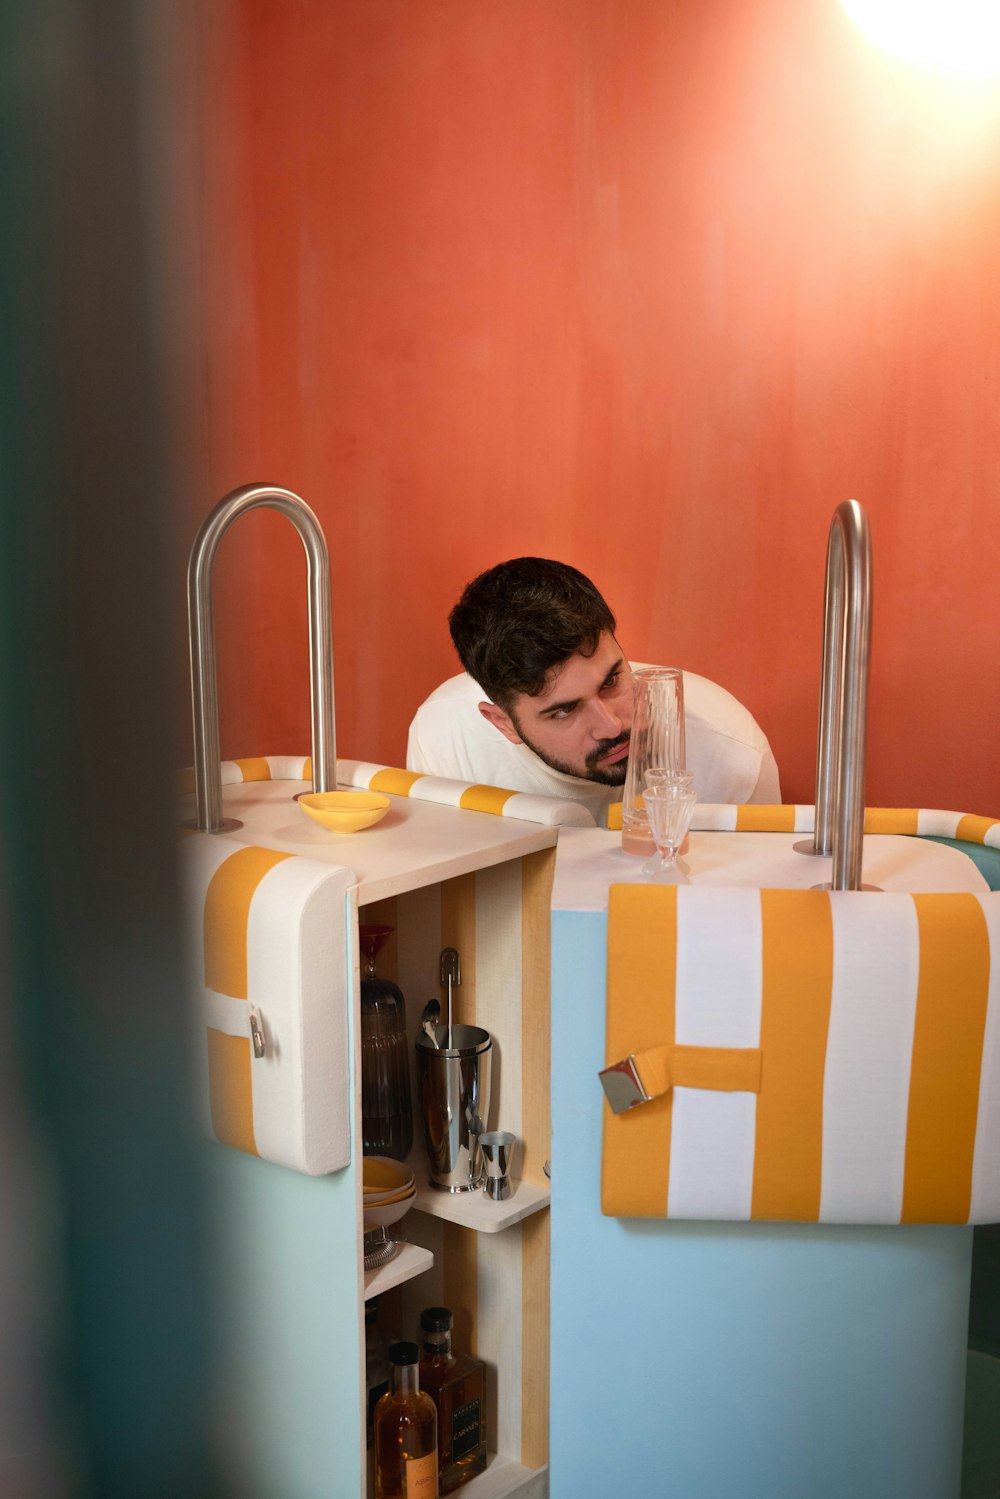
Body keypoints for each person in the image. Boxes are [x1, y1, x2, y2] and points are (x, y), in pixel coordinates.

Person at [406, 557, 780, 821]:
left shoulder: (730, 750)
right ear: (503, 723)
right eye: (564, 710)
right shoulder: (444, 740)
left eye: (611, 681)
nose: (612, 727)